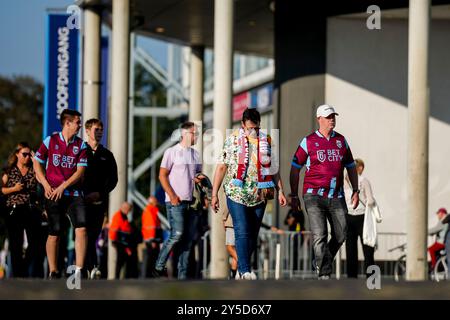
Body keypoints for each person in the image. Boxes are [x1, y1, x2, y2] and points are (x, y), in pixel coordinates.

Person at [212, 108, 287, 280]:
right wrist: (215, 193)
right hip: (236, 193)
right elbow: (222, 166)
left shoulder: (267, 141)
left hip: (259, 194)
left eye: (256, 128)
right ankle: (245, 270)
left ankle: (241, 269)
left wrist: (281, 190)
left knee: (252, 235)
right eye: (249, 128)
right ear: (242, 125)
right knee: (242, 229)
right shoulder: (232, 141)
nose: (252, 131)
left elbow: (273, 169)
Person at [289, 104, 359, 280]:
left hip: (337, 195)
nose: (332, 120)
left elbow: (351, 167)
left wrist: (356, 190)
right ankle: (324, 273)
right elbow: (295, 168)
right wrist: (294, 195)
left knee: (341, 233)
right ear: (319, 119)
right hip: (313, 195)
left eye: (333, 116)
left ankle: (321, 260)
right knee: (320, 234)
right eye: (328, 117)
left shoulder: (341, 141)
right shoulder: (308, 141)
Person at [34, 109, 88, 279]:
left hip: (73, 193)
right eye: (77, 122)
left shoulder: (81, 145)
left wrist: (63, 186)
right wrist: (45, 184)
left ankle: (78, 270)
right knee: (55, 232)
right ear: (67, 123)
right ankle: (53, 270)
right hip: (52, 193)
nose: (80, 125)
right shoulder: (51, 140)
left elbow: (80, 172)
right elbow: (37, 163)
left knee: (82, 227)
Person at [152, 122, 202, 279]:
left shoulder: (196, 154)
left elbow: (198, 176)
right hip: (175, 202)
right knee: (177, 234)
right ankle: (159, 265)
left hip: (191, 203)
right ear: (185, 134)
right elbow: (162, 175)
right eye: (195, 133)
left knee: (187, 242)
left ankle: (182, 277)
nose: (197, 136)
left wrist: (204, 193)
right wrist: (172, 196)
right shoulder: (171, 152)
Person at [83, 118, 118, 277]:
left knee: (93, 235)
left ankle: (90, 267)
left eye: (101, 130)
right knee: (82, 233)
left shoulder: (107, 155)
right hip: (80, 202)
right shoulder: (80, 151)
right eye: (96, 129)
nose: (99, 133)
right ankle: (86, 267)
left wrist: (100, 194)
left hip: (98, 202)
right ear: (88, 131)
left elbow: (113, 180)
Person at [1, 142, 41, 277]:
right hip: (14, 210)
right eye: (24, 154)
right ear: (17, 154)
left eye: (29, 154)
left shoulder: (34, 169)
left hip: (31, 209)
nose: (27, 157)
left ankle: (23, 268)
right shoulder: (9, 170)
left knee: (35, 243)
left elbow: (43, 180)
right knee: (15, 244)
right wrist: (14, 189)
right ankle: (18, 275)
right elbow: (1, 190)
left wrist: (36, 161)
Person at [343, 158, 376, 278]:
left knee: (350, 249)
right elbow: (371, 201)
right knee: (368, 249)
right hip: (362, 217)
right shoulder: (363, 181)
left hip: (348, 217)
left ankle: (351, 277)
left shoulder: (344, 182)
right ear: (360, 168)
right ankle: (371, 277)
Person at [109, 202, 137, 279]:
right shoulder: (118, 216)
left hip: (124, 242)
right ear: (123, 208)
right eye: (128, 209)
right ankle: (117, 277)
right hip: (119, 242)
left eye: (129, 209)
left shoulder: (124, 216)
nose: (128, 211)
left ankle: (120, 277)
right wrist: (113, 240)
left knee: (123, 260)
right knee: (120, 260)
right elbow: (114, 229)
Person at [141, 196, 162, 278]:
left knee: (150, 259)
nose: (157, 203)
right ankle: (147, 277)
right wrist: (152, 240)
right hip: (152, 240)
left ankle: (148, 276)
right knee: (150, 260)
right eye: (155, 201)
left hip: (152, 239)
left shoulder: (151, 211)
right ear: (152, 203)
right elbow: (151, 227)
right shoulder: (150, 211)